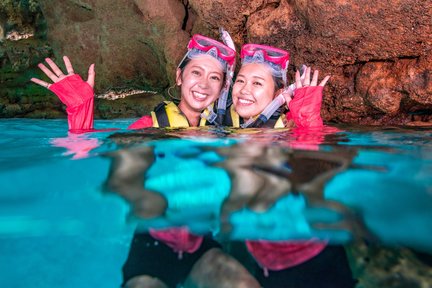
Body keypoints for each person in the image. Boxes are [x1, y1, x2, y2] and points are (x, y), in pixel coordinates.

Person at [222, 43, 356, 287]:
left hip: (318, 254)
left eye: (257, 83)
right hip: (268, 262)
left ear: (278, 94)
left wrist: (308, 120)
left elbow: (330, 158)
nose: (244, 90)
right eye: (240, 81)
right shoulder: (224, 128)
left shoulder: (290, 127)